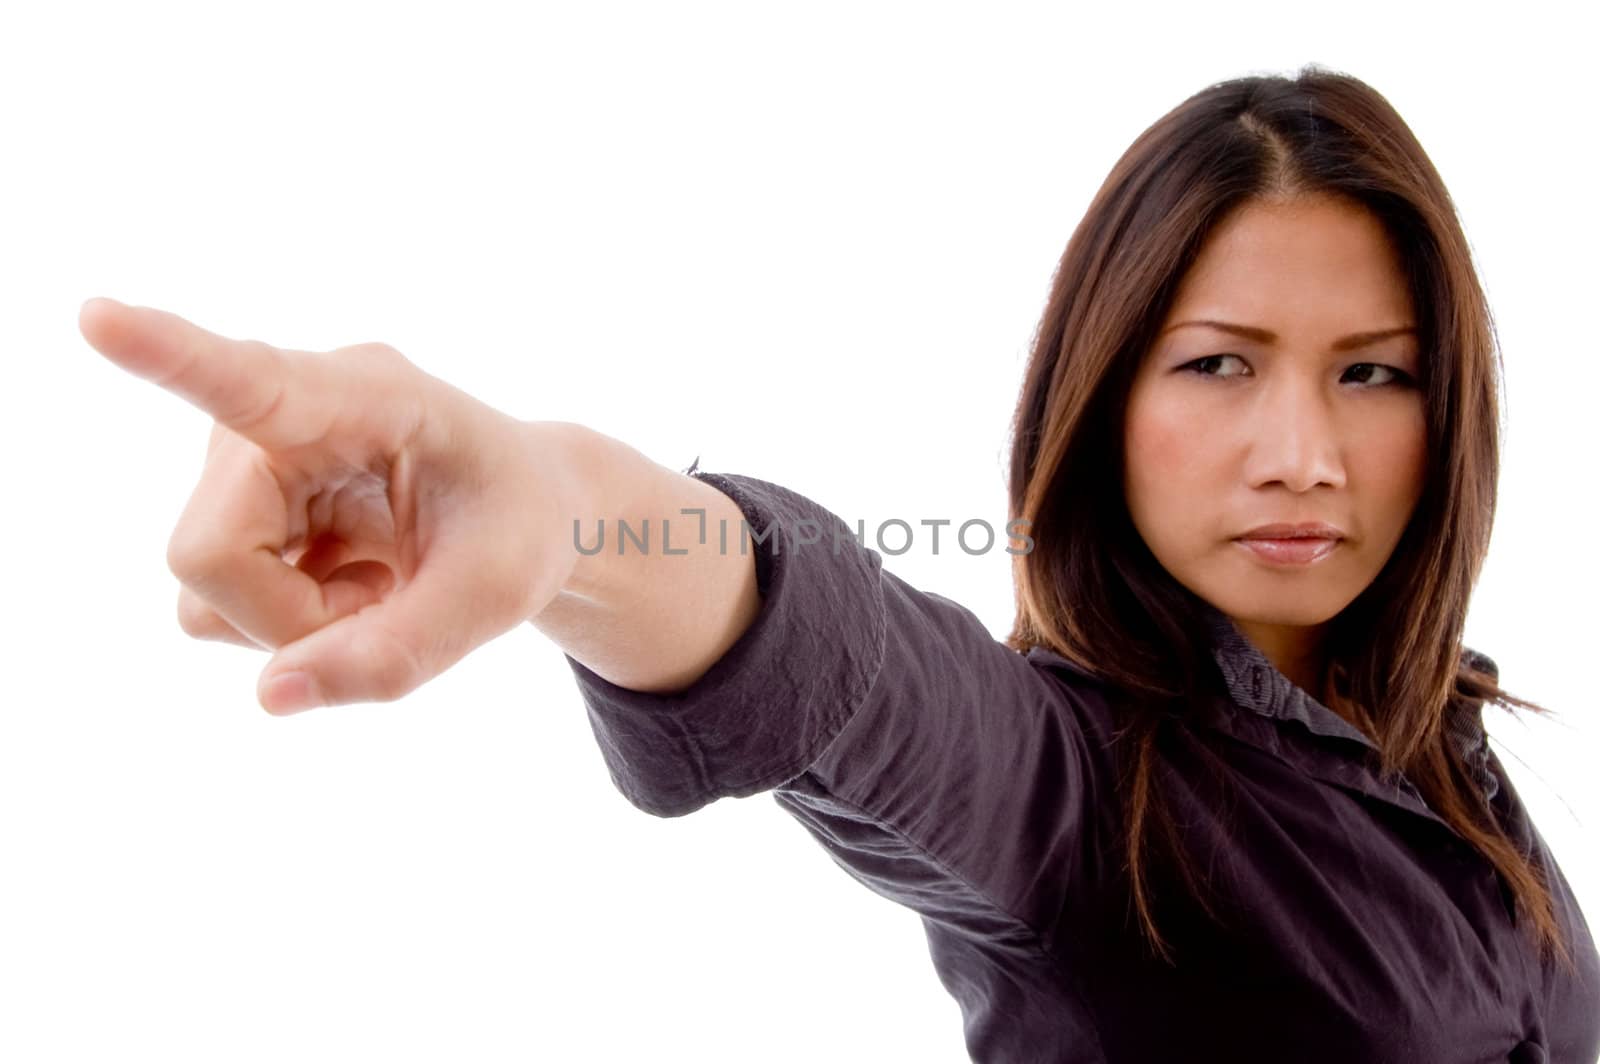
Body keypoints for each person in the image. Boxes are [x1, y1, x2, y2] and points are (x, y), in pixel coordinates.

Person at [80, 63, 1599, 1063]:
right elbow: (839, 659)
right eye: (1218, 366)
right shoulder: (1072, 794)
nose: (1303, 453)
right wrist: (559, 508)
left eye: (1375, 374)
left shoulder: (1433, 731)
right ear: (1102, 398)